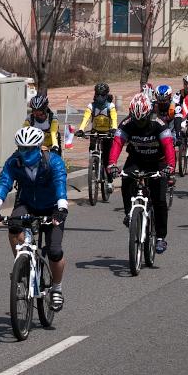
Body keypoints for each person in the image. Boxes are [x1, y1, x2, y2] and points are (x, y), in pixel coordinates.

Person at [0, 126, 70, 310]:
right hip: (27, 205)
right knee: (13, 226)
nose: (25, 152)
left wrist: (61, 209)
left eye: (30, 148)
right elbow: (4, 182)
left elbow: (60, 186)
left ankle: (56, 288)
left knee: (55, 251)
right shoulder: (14, 162)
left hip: (52, 208)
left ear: (39, 147)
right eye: (21, 148)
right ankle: (21, 263)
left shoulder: (53, 162)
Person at [106, 93, 176, 253]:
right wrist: (111, 163)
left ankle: (160, 237)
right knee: (126, 180)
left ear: (149, 113)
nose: (139, 123)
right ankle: (128, 213)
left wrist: (170, 167)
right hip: (137, 159)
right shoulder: (127, 123)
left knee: (159, 199)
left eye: (142, 120)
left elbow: (168, 146)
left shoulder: (159, 124)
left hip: (159, 161)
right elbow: (117, 143)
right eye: (136, 120)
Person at [75, 82, 119, 163]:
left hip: (108, 133)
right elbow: (86, 119)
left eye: (102, 95)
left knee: (107, 158)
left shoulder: (111, 106)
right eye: (98, 94)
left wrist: (114, 128)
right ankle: (93, 166)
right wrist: (81, 129)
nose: (100, 97)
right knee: (92, 150)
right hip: (95, 132)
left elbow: (114, 119)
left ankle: (108, 172)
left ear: (106, 95)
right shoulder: (91, 106)